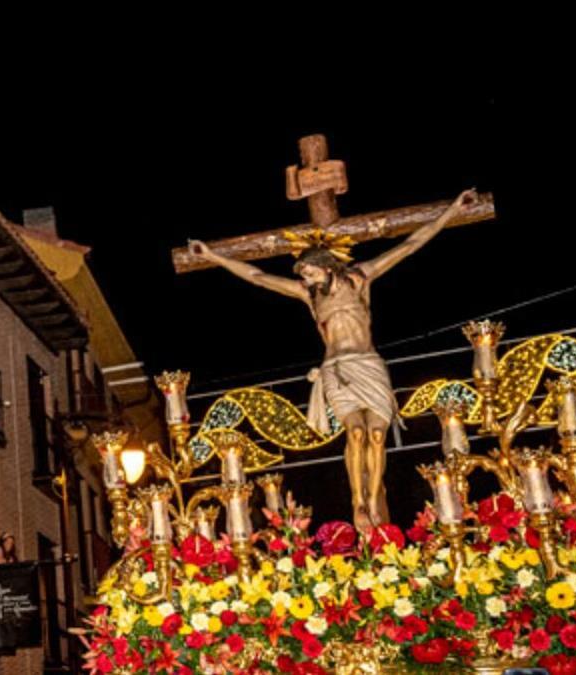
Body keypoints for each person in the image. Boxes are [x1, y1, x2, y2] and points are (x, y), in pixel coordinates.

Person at [189, 189, 477, 532]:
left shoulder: (359, 278)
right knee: (355, 431)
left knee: (376, 436)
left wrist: (453, 209)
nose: (305, 278)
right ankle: (358, 499)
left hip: (368, 365)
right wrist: (213, 256)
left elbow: (410, 244)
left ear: (326, 266)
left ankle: (374, 496)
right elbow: (257, 277)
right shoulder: (309, 295)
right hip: (337, 370)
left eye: (309, 272)